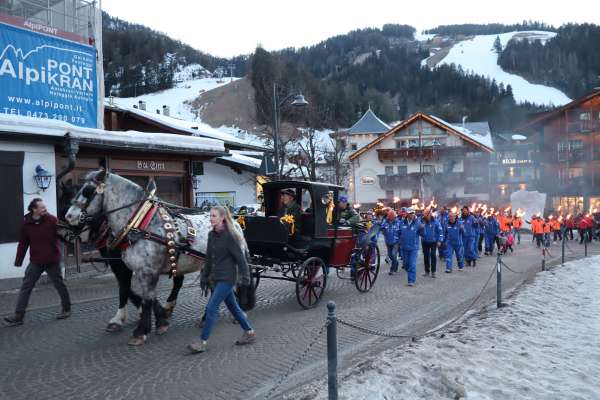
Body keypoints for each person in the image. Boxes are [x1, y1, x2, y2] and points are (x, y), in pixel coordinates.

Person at [188, 206, 255, 353]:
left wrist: (245, 277)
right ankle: (249, 332)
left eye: (213, 216)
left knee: (211, 308)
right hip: (216, 278)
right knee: (234, 308)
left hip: (227, 278)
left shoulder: (230, 236)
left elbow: (241, 259)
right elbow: (208, 259)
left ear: (222, 217)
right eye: (210, 216)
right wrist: (204, 276)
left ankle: (202, 341)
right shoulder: (212, 235)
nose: (210, 218)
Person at [4, 198, 71, 326]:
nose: (45, 209)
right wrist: (19, 260)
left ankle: (66, 308)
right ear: (34, 209)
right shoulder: (27, 224)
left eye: (45, 207)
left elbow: (63, 234)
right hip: (36, 261)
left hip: (52, 260)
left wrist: (69, 237)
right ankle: (19, 315)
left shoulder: (52, 220)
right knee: (26, 286)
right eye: (42, 207)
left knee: (59, 284)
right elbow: (23, 243)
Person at [398, 208, 422, 286]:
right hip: (404, 247)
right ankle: (409, 271)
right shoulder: (402, 222)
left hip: (413, 247)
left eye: (413, 213)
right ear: (407, 214)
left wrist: (423, 228)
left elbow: (422, 234)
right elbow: (398, 233)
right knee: (406, 264)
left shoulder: (418, 223)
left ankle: (411, 280)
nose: (412, 214)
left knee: (412, 264)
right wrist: (398, 242)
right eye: (410, 213)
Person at [420, 210, 443, 278]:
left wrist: (439, 240)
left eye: (426, 214)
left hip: (433, 242)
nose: (425, 216)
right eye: (424, 215)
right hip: (425, 241)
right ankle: (427, 271)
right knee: (426, 257)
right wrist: (421, 228)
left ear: (430, 214)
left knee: (433, 255)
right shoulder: (422, 221)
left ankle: (433, 272)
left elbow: (440, 232)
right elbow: (419, 232)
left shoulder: (436, 222)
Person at [380, 210, 401, 275]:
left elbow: (401, 232)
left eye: (393, 217)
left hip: (396, 242)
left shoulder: (398, 222)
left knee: (394, 255)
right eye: (390, 217)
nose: (392, 218)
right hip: (388, 241)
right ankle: (396, 263)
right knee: (390, 255)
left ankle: (392, 269)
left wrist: (400, 239)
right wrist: (383, 231)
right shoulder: (385, 222)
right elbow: (382, 228)